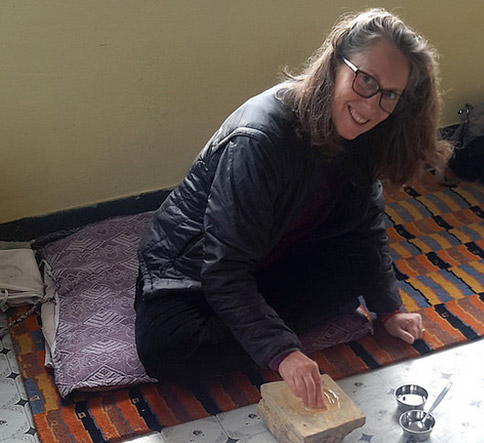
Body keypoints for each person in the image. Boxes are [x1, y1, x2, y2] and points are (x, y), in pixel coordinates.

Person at [135, 8, 451, 408]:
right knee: (167, 349)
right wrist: (282, 352)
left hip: (275, 248)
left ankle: (255, 322)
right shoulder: (259, 138)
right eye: (366, 80)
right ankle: (264, 325)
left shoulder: (370, 131)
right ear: (336, 63)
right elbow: (223, 267)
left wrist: (389, 310)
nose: (371, 106)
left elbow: (367, 231)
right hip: (191, 268)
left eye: (389, 95)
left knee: (358, 264)